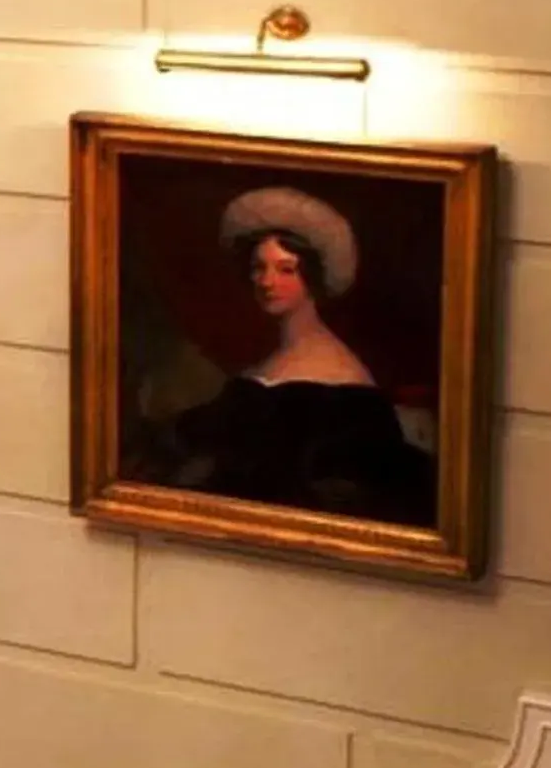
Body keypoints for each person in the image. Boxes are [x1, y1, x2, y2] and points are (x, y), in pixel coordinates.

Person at [130, 186, 434, 526]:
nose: (266, 281)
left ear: (311, 278)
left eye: (285, 269)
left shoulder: (341, 382)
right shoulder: (269, 362)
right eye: (259, 268)